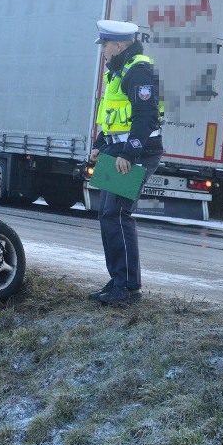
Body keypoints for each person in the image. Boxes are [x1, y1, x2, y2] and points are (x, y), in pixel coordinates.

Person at [88, 20, 164, 305]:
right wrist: (99, 144)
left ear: (118, 46)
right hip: (115, 149)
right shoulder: (118, 71)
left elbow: (146, 117)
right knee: (106, 214)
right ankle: (118, 280)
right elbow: (113, 116)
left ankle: (129, 287)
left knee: (117, 214)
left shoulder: (138, 70)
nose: (103, 51)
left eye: (105, 45)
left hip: (136, 152)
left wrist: (129, 154)